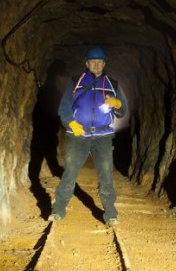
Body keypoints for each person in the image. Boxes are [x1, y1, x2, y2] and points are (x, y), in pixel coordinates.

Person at [48, 46, 127, 226]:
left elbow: (123, 111)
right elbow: (64, 107)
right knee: (70, 172)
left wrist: (117, 103)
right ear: (87, 63)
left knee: (106, 174)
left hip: (103, 135)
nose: (97, 65)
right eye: (93, 62)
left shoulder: (113, 84)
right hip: (78, 134)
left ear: (104, 63)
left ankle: (111, 213)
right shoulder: (76, 81)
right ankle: (58, 209)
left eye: (100, 62)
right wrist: (71, 123)